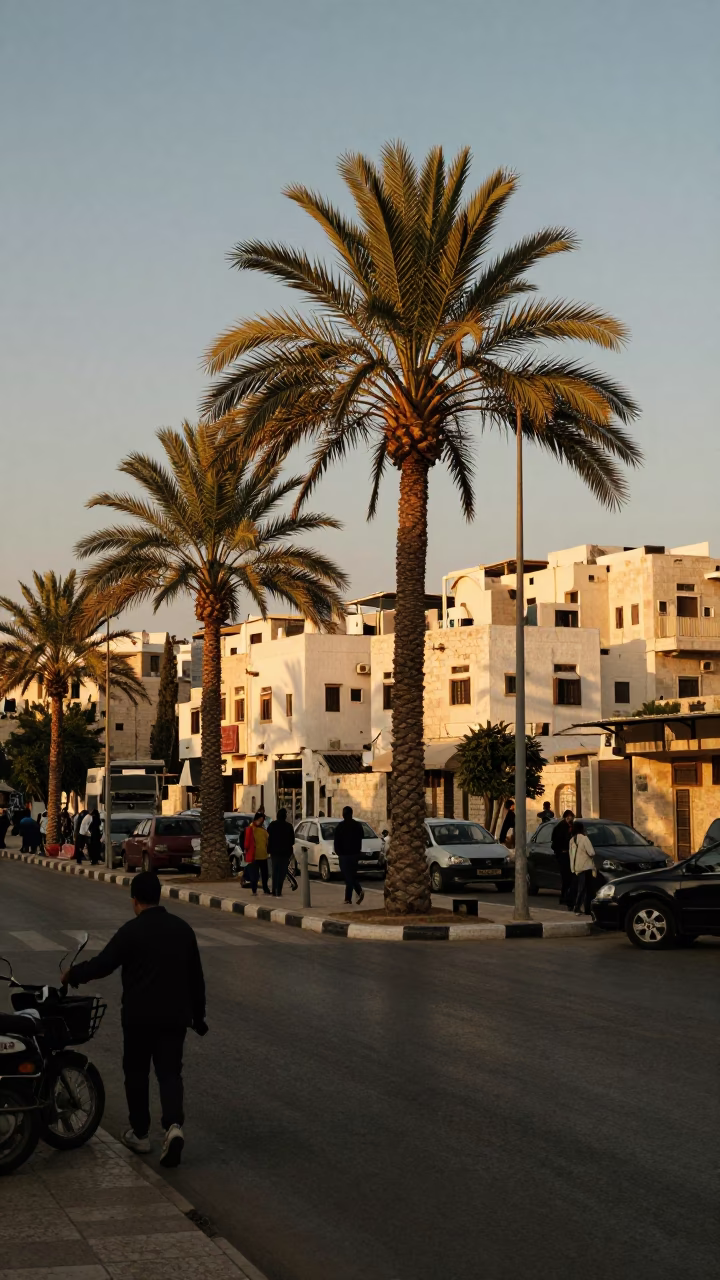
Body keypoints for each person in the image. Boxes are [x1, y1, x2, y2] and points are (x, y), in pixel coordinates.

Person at [62, 870, 206, 1168]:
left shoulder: (131, 931)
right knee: (169, 1073)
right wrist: (199, 1015)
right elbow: (196, 978)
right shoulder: (183, 929)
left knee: (137, 1073)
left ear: (135, 900)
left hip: (139, 1018)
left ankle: (140, 1134)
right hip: (174, 1017)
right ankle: (173, 1127)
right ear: (159, 895)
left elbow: (103, 964)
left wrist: (73, 975)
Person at [333, 806, 365, 905]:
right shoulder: (357, 825)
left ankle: (352, 896)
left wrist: (338, 852)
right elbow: (361, 836)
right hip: (354, 854)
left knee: (348, 877)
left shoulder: (340, 826)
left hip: (344, 855)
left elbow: (336, 841)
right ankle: (354, 894)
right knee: (351, 875)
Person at [267, 807, 297, 897]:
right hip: (285, 853)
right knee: (282, 872)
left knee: (275, 871)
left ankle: (274, 890)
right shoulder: (289, 826)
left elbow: (268, 837)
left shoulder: (272, 825)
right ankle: (279, 890)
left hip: (274, 852)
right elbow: (292, 841)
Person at [569, 820, 597, 915]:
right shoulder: (585, 839)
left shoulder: (572, 840)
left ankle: (578, 907)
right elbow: (591, 852)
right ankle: (581, 907)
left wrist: (573, 868)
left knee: (581, 888)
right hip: (586, 867)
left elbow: (571, 855)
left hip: (577, 867)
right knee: (587, 889)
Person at [551, 809, 575, 907]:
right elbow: (556, 842)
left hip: (571, 855)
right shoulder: (560, 827)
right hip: (563, 855)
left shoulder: (573, 827)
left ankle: (568, 897)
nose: (570, 819)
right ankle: (564, 897)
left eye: (571, 817)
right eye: (568, 817)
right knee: (566, 877)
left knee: (571, 878)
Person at [244, 811, 270, 895]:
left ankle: (265, 888)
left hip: (263, 855)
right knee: (254, 875)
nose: (261, 821)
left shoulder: (263, 830)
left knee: (264, 874)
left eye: (262, 820)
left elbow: (267, 841)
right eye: (260, 819)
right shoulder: (251, 829)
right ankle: (254, 890)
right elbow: (246, 842)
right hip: (254, 855)